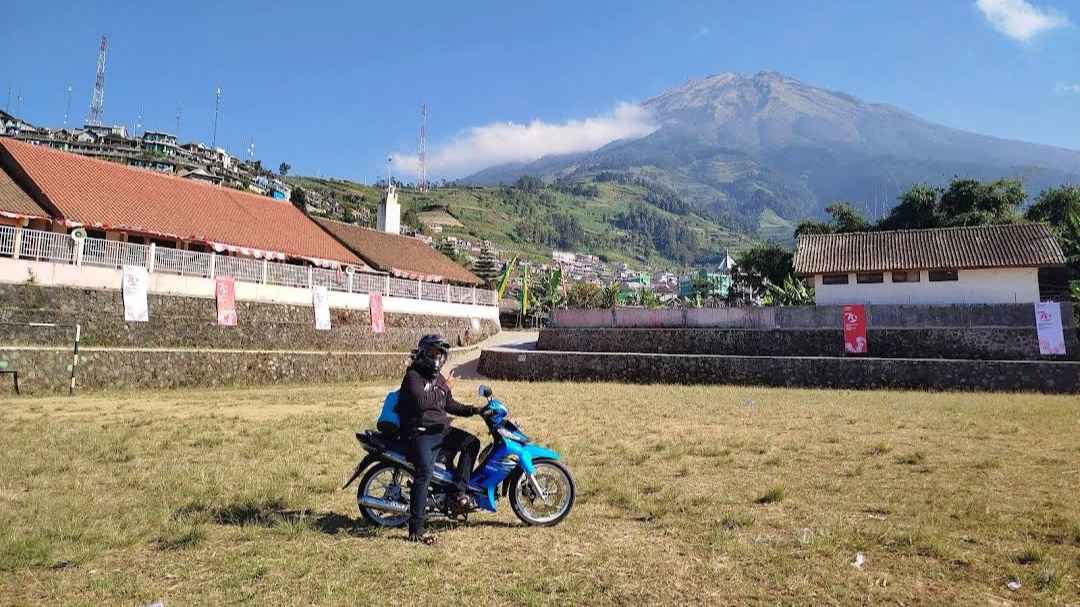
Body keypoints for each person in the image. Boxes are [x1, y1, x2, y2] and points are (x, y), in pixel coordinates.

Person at [396, 334, 484, 544]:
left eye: (440, 354)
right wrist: (445, 387)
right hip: (420, 432)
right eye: (433, 353)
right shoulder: (413, 376)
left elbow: (449, 404)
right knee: (423, 474)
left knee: (472, 443)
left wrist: (474, 410)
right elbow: (422, 402)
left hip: (440, 429)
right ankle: (416, 530)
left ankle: (458, 493)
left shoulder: (439, 378)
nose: (437, 358)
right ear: (424, 353)